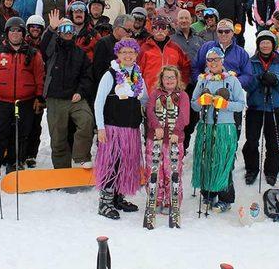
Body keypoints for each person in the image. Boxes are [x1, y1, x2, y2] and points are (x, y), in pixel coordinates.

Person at [0, 17, 45, 177]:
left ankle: (15, 162)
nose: (15, 33)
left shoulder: (33, 53)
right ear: (7, 33)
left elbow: (39, 76)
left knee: (20, 133)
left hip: (25, 101)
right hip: (0, 100)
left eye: (18, 30)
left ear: (23, 33)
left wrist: (39, 97)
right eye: (12, 30)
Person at [94, 39, 148, 219]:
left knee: (125, 164)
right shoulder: (110, 74)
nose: (127, 56)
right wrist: (100, 128)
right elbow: (99, 102)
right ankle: (105, 202)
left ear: (136, 55)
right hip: (113, 129)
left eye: (131, 52)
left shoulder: (138, 76)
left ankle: (118, 197)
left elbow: (145, 99)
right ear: (118, 55)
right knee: (112, 164)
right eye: (124, 52)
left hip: (131, 129)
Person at [191, 47, 246, 213]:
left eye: (216, 59)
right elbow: (194, 104)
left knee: (223, 161)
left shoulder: (232, 81)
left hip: (225, 128)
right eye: (210, 60)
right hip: (206, 126)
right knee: (206, 158)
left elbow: (241, 105)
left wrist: (226, 105)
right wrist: (201, 101)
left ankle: (225, 198)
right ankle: (208, 192)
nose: (213, 62)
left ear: (222, 60)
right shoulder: (203, 81)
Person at [41, 12, 95, 169]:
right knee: (58, 136)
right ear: (59, 31)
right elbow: (43, 48)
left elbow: (87, 75)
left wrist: (81, 91)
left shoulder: (80, 53)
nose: (67, 32)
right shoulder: (53, 50)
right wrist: (51, 28)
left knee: (86, 121)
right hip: (56, 98)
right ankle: (61, 168)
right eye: (64, 28)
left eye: (71, 29)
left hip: (75, 98)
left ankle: (81, 156)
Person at [243, 31, 279, 186]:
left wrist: (276, 81)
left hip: (274, 107)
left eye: (268, 42)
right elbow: (247, 85)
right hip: (255, 107)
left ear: (273, 44)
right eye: (262, 42)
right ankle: (251, 169)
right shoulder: (251, 62)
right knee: (251, 141)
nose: (265, 45)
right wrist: (258, 79)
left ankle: (271, 171)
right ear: (258, 45)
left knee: (273, 142)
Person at [192, 19, 252, 140]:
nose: (223, 34)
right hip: (209, 98)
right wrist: (201, 81)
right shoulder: (207, 47)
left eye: (227, 31)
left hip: (230, 100)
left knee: (230, 140)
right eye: (220, 31)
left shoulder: (240, 52)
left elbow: (248, 75)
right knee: (208, 139)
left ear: (233, 32)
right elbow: (195, 67)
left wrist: (232, 83)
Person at [145, 66, 190, 214]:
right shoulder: (155, 94)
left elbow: (184, 115)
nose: (169, 80)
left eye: (172, 77)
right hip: (156, 139)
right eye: (166, 77)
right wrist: (156, 126)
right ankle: (156, 198)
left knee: (172, 170)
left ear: (177, 79)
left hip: (173, 140)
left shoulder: (182, 95)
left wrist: (176, 130)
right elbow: (150, 111)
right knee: (155, 170)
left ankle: (172, 200)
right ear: (161, 79)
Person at [170, 9, 204, 152]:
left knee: (192, 117)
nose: (184, 20)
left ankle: (185, 143)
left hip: (194, 84)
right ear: (177, 21)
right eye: (181, 18)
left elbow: (204, 61)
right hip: (177, 85)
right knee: (177, 117)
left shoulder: (199, 40)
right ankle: (176, 148)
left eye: (186, 18)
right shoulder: (171, 39)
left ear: (191, 20)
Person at [137, 15, 191, 94]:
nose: (160, 30)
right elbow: (138, 71)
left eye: (163, 27)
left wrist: (182, 84)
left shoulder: (175, 48)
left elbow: (185, 66)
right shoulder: (144, 49)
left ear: (168, 30)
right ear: (152, 30)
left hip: (172, 93)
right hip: (150, 93)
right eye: (156, 27)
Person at [24, 15, 46, 168]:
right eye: (32, 27)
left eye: (38, 28)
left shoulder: (44, 45)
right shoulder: (22, 44)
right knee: (22, 124)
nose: (35, 30)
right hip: (24, 90)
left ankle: (31, 154)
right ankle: (19, 153)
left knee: (35, 125)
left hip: (39, 90)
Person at [92, 14, 135, 90]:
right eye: (128, 30)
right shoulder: (103, 43)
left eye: (132, 31)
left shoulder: (130, 45)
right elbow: (97, 71)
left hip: (126, 88)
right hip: (108, 89)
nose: (130, 34)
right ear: (117, 28)